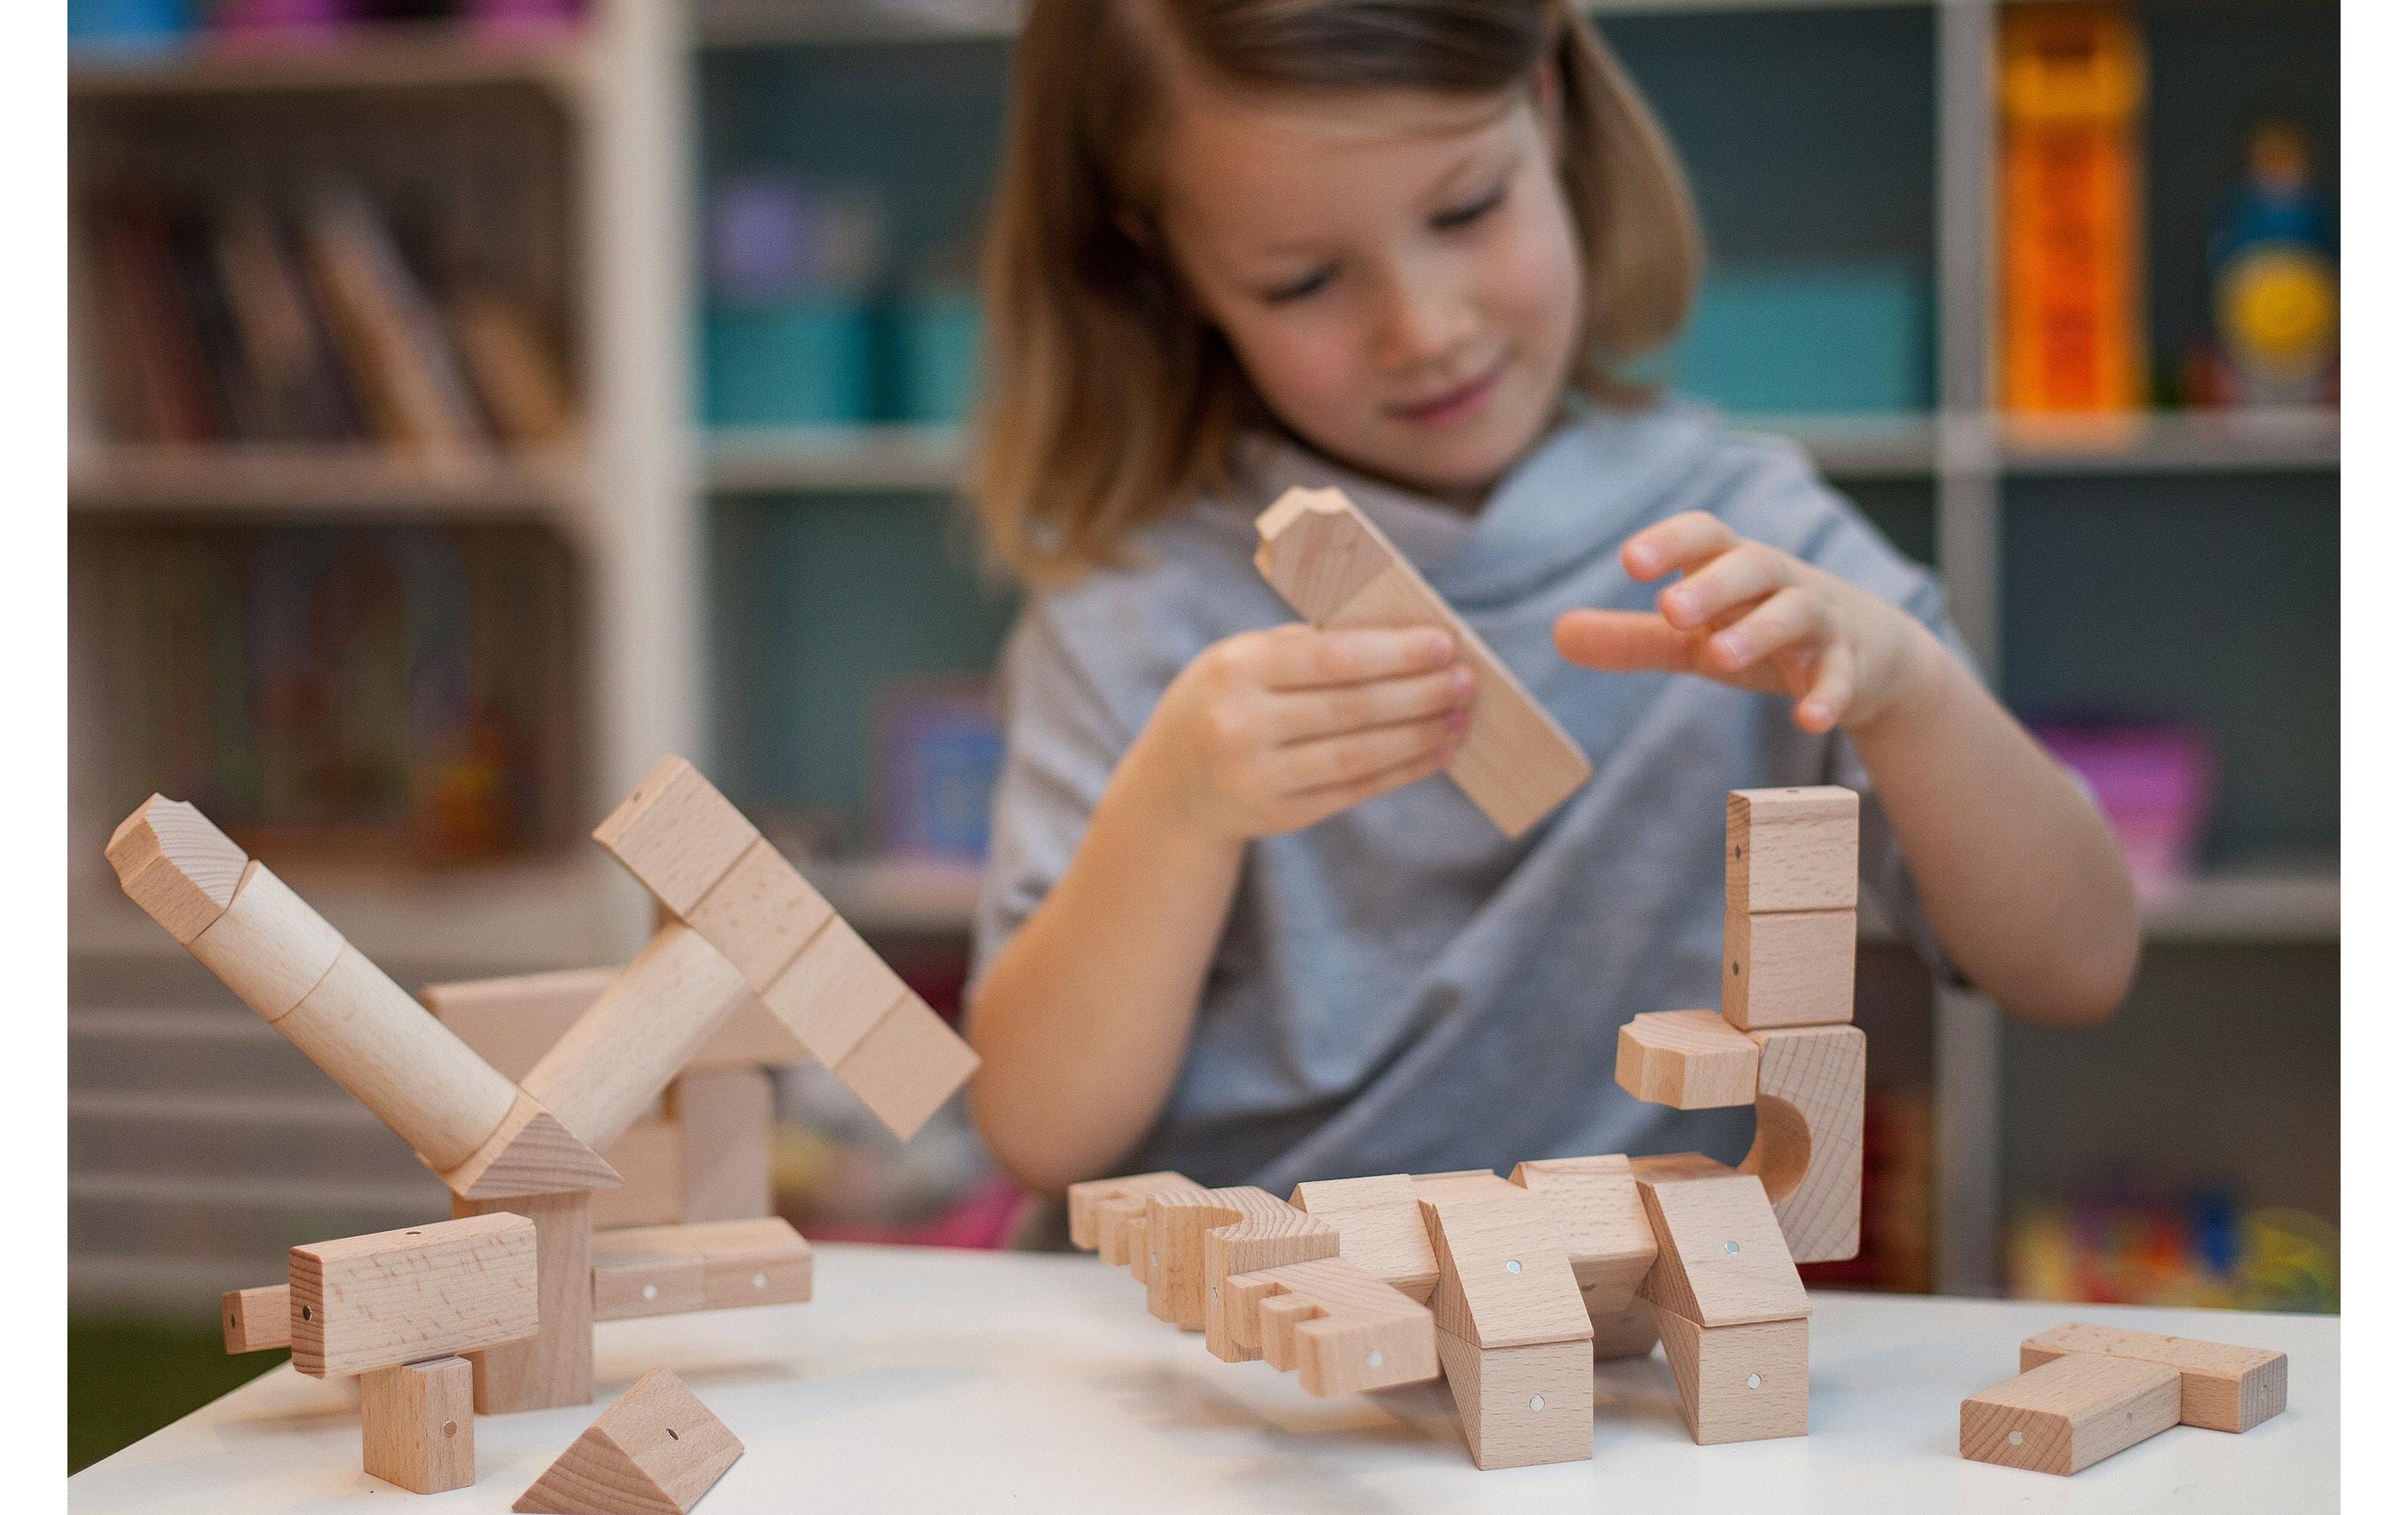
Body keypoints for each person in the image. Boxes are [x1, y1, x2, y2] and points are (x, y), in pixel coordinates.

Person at [960, 0, 2139, 1200]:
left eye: (1467, 210)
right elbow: (1040, 1134)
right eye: (1303, 279)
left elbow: (2081, 965)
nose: (1423, 331)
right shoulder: (1130, 617)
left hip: (1624, 1338)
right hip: (1229, 1336)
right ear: (1170, 266)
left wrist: (1912, 693)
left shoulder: (1752, 545)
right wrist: (1176, 810)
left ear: (1549, 107)